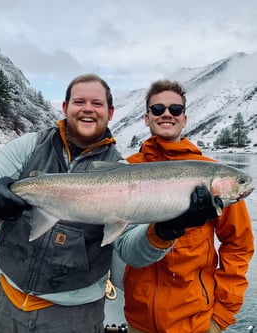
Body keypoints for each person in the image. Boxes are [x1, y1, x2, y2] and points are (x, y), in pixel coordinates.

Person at [0, 73, 172, 333]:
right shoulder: (29, 146)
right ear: (65, 108)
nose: (88, 109)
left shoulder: (122, 173)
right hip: (6, 299)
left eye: (97, 104)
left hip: (76, 314)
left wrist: (165, 232)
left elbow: (131, 251)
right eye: (79, 102)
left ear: (110, 112)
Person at [114, 80, 254, 333]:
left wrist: (222, 316)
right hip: (138, 320)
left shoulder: (212, 174)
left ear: (184, 118)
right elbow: (123, 245)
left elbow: (239, 246)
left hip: (196, 323)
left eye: (175, 109)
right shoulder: (125, 169)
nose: (166, 114)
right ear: (146, 118)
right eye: (157, 109)